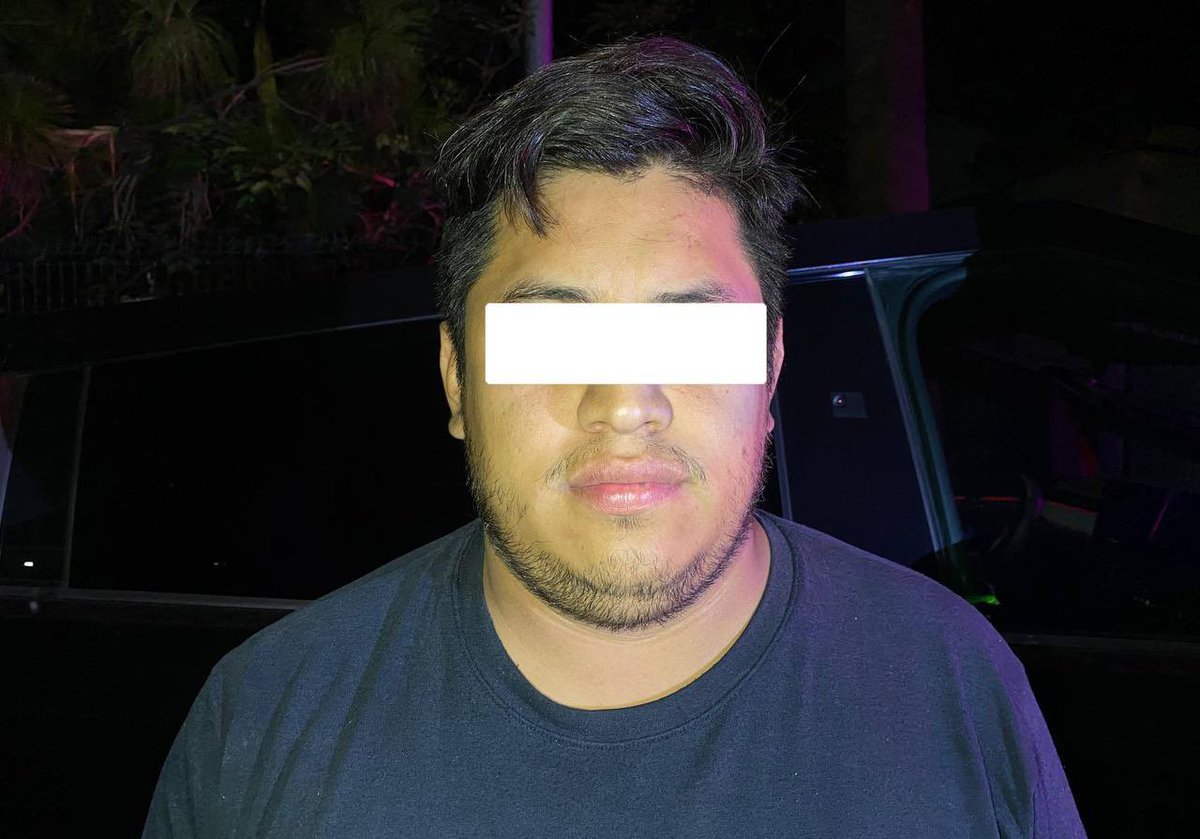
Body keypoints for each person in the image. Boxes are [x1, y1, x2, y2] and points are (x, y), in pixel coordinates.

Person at [143, 36, 1086, 837]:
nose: (626, 402)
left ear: (770, 373)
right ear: (456, 379)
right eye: (553, 336)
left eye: (689, 332)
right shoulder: (263, 722)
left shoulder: (952, 685)